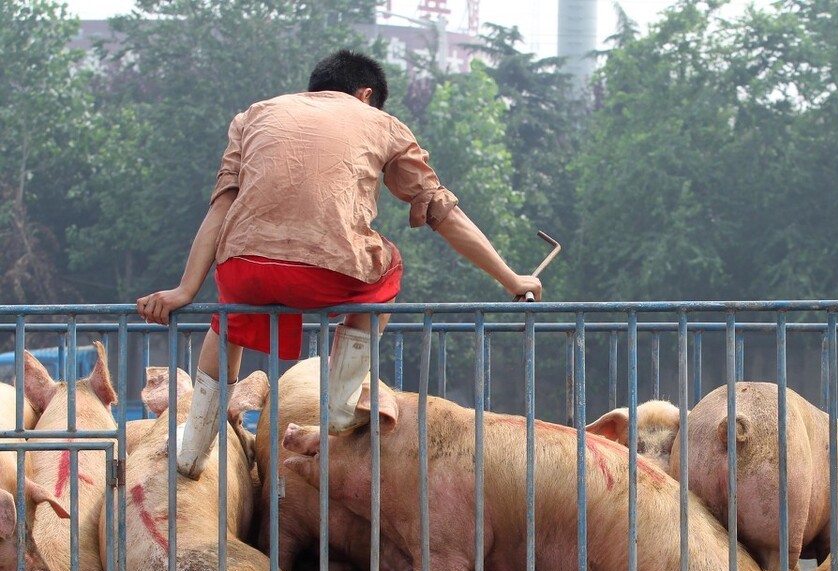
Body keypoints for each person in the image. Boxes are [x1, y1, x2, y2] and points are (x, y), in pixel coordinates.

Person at [137, 49, 541, 479]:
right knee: (389, 267)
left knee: (228, 318)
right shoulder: (383, 125)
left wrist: (184, 291)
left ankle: (193, 448)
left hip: (244, 268)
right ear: (365, 94)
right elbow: (444, 213)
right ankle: (339, 410)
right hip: (330, 272)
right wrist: (511, 277)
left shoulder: (253, 116)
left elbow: (221, 210)